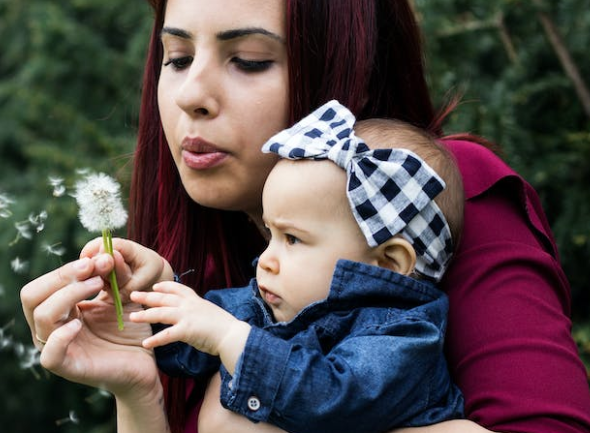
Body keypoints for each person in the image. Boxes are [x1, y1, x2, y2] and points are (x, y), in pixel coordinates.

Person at [19, 1, 590, 433]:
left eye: (248, 60)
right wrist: (139, 380)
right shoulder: (232, 254)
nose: (192, 94)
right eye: (178, 57)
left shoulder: (433, 195)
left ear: (346, 61)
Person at [127, 100, 465, 433]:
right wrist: (144, 303)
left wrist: (231, 338)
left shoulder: (405, 337)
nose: (266, 261)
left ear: (389, 263)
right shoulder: (271, 303)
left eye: (292, 239)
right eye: (270, 235)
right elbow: (195, 333)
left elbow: (331, 402)